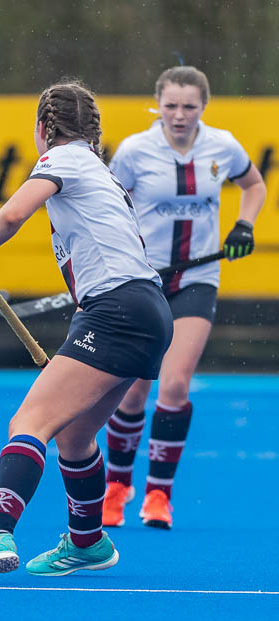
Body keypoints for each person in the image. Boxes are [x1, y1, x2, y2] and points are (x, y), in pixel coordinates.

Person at [0, 81, 173, 581]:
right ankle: (87, 542)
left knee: (30, 421)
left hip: (117, 310)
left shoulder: (64, 158)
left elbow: (15, 211)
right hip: (147, 311)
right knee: (76, 436)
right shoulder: (99, 170)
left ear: (43, 129)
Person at [101, 66, 266, 530]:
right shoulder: (134, 151)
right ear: (158, 105)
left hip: (197, 279)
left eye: (189, 106)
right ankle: (117, 485)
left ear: (203, 107)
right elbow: (109, 207)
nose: (179, 115)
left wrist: (244, 224)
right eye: (171, 105)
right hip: (142, 281)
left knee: (173, 386)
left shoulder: (223, 146)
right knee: (132, 388)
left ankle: (158, 493)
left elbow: (253, 184)